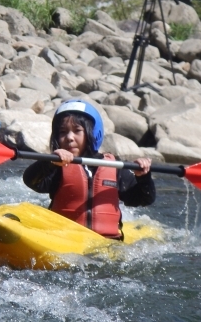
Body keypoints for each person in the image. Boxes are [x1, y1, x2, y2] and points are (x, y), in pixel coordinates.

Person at [23, 99, 156, 240]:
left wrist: (143, 177)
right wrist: (50, 162)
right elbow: (31, 181)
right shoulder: (56, 166)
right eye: (62, 132)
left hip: (107, 243)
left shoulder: (114, 166)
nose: (69, 137)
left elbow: (143, 199)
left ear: (92, 132)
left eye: (77, 131)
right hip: (64, 239)